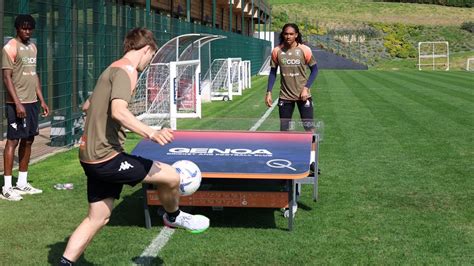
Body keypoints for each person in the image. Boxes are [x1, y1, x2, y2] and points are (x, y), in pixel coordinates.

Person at [60, 28, 209, 265]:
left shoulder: (110, 68)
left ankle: (65, 263)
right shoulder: (127, 71)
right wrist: (151, 131)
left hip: (88, 156)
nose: (149, 63)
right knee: (171, 177)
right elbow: (119, 111)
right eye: (152, 56)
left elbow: (87, 106)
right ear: (147, 49)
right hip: (105, 158)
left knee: (98, 218)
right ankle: (173, 216)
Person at [1, 14, 50, 201]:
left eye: (30, 28)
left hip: (31, 103)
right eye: (24, 28)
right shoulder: (9, 47)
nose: (27, 31)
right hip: (16, 104)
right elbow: (6, 78)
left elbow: (33, 75)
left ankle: (21, 183)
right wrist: (18, 103)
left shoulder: (33, 47)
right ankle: (6, 188)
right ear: (17, 28)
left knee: (28, 140)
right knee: (13, 141)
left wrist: (42, 100)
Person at [265, 23, 318, 132]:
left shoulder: (305, 50)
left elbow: (315, 70)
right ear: (283, 35)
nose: (288, 36)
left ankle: (312, 149)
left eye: (291, 34)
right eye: (286, 34)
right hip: (285, 97)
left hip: (303, 96)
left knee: (309, 128)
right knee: (284, 130)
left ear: (296, 35)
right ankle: (286, 149)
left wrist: (306, 88)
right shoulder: (276, 51)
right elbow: (273, 73)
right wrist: (269, 92)